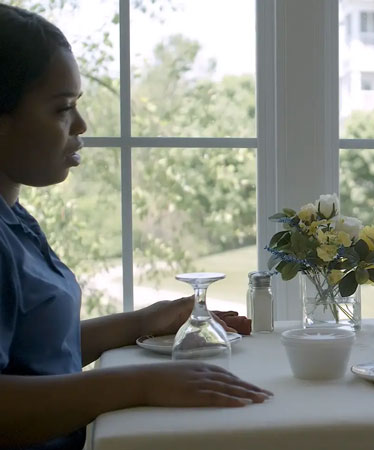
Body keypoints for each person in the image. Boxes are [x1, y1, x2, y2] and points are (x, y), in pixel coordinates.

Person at [0, 5, 272, 449]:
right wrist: (140, 384)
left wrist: (146, 320)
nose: (81, 125)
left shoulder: (15, 218)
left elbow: (41, 354)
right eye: (63, 108)